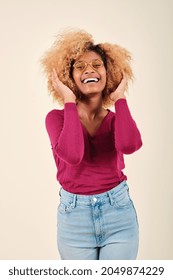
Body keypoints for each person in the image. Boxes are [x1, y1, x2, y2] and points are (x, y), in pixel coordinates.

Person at [41, 29, 143, 260]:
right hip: (74, 219)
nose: (90, 70)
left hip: (118, 213)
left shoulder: (117, 119)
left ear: (109, 72)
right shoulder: (56, 119)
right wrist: (69, 100)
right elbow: (72, 155)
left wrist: (120, 99)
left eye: (97, 65)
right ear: (69, 77)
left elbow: (130, 145)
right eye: (80, 66)